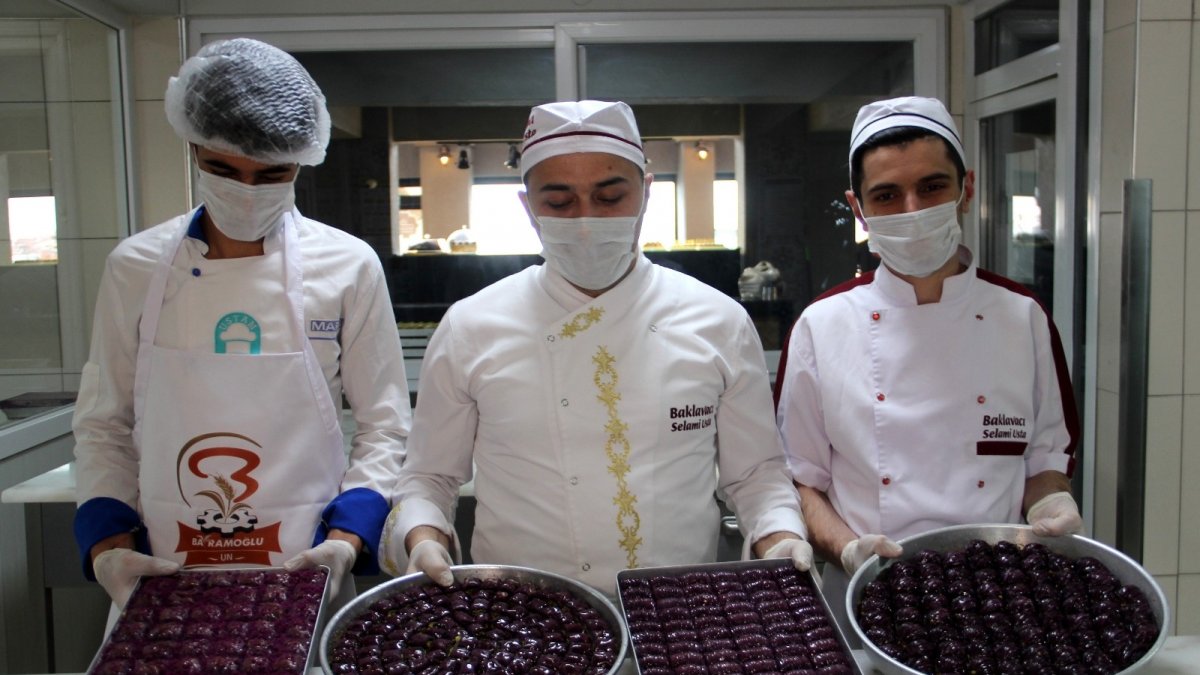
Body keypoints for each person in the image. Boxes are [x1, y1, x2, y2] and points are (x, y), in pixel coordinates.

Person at [380, 100, 811, 597]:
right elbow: (429, 478)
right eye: (559, 203)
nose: (585, 221)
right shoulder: (472, 326)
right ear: (527, 207)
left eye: (609, 198)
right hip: (522, 614)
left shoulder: (717, 321)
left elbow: (756, 476)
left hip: (674, 611)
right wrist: (422, 537)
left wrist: (779, 539)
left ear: (646, 195)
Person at [71, 38, 411, 613]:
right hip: (164, 569)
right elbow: (104, 423)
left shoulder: (348, 264)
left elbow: (385, 423)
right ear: (194, 148)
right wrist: (108, 547)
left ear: (302, 160)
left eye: (272, 173)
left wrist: (348, 539)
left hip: (307, 565)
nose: (247, 193)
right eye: (223, 169)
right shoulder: (136, 266)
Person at [774, 95, 1081, 634]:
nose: (912, 209)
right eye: (887, 195)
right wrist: (849, 550)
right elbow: (799, 481)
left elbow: (1043, 459)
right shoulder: (822, 327)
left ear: (967, 187)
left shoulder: (1022, 316)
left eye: (932, 186)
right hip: (870, 599)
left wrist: (1051, 499)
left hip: (1002, 597)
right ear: (859, 207)